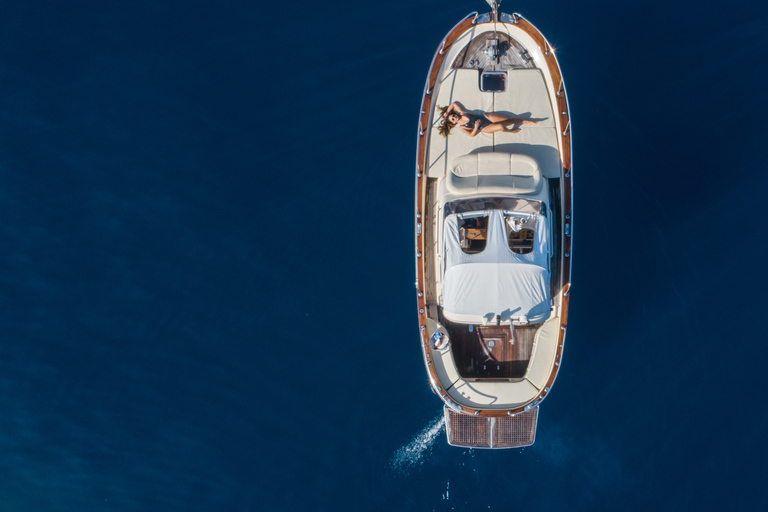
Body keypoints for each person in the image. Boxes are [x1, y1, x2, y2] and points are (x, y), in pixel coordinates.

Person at [436, 101, 537, 137]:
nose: (454, 117)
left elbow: (453, 104)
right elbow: (471, 135)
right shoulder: (461, 127)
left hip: (486, 117)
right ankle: (509, 131)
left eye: (453, 115)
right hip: (484, 127)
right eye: (453, 119)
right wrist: (475, 127)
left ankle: (526, 121)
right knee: (502, 126)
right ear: (453, 123)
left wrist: (447, 113)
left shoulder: (462, 112)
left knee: (509, 119)